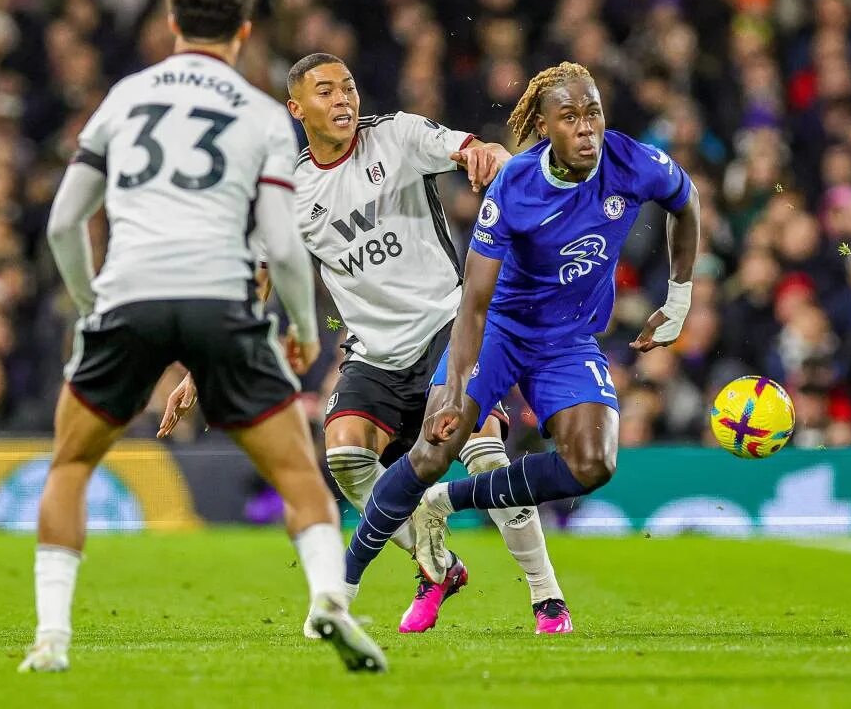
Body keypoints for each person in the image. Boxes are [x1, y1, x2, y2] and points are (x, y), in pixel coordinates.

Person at [21, 0, 385, 674]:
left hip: (129, 294)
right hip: (221, 300)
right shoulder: (258, 112)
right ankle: (326, 600)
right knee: (296, 471)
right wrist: (305, 332)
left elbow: (65, 223)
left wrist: (94, 304)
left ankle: (52, 639)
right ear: (246, 28)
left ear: (171, 20)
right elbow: (282, 244)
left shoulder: (125, 96)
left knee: (70, 464)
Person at [160, 52, 573, 635]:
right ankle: (437, 563)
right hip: (374, 351)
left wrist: (485, 155)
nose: (343, 100)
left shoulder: (397, 138)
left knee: (482, 451)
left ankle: (546, 597)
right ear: (296, 108)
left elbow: (469, 148)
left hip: (445, 330)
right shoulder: (290, 194)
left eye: (349, 87)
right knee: (345, 455)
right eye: (325, 91)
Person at [340, 62, 701, 616]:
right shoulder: (515, 185)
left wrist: (678, 298)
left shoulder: (632, 161)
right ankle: (342, 590)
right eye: (570, 117)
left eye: (594, 113)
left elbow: (686, 200)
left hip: (568, 340)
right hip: (501, 331)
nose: (587, 129)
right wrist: (457, 386)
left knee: (593, 463)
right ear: (541, 126)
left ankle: (447, 502)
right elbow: (475, 304)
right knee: (434, 450)